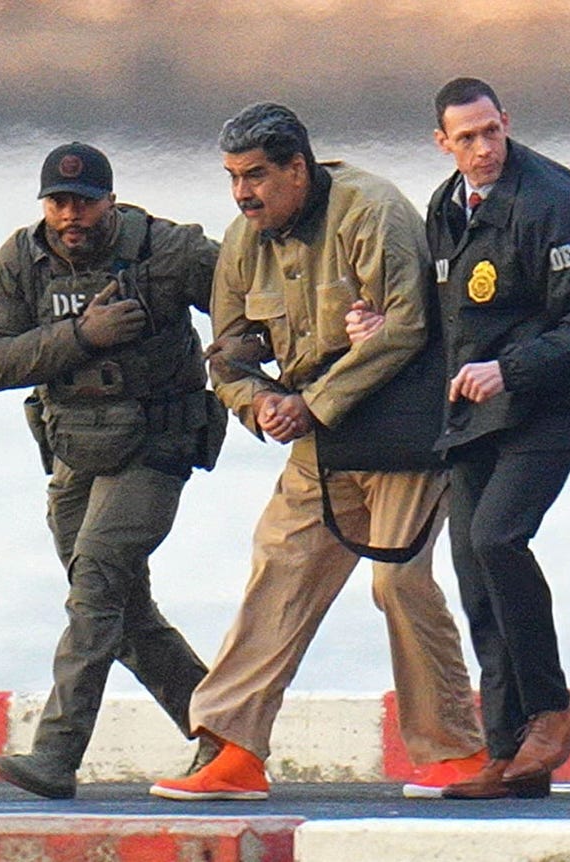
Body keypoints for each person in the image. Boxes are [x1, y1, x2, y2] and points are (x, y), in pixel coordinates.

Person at [147, 102, 485, 803]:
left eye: (256, 176)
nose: (242, 193)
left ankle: (456, 750)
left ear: (297, 168)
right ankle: (234, 749)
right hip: (320, 445)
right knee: (281, 567)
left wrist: (314, 403)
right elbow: (227, 352)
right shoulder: (244, 241)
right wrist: (257, 402)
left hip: (405, 433)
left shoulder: (372, 211)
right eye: (232, 177)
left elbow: (406, 328)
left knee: (399, 583)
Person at [0, 142, 223, 799]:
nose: (70, 215)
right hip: (75, 450)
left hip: (154, 445)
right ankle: (226, 732)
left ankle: (55, 755)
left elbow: (253, 293)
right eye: (58, 202)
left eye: (83, 202)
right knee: (122, 612)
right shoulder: (22, 260)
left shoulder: (166, 250)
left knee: (97, 588)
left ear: (110, 200)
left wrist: (244, 355)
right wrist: (83, 336)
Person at [416, 77, 570, 799]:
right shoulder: (446, 206)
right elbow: (451, 313)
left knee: (499, 537)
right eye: (466, 138)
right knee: (474, 570)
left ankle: (553, 708)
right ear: (443, 143)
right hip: (476, 414)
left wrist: (509, 369)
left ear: (506, 121)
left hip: (551, 402)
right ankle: (508, 753)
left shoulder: (554, 201)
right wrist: (384, 327)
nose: (483, 149)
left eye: (491, 132)